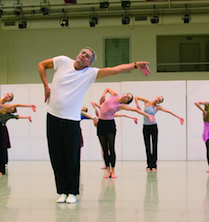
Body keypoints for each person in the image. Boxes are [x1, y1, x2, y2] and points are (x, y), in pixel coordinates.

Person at [38, 47, 151, 204]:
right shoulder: (63, 61)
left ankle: (72, 192)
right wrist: (46, 85)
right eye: (82, 52)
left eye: (87, 56)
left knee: (72, 157)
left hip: (71, 120)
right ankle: (62, 191)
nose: (83, 55)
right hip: (52, 116)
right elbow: (41, 65)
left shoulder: (89, 74)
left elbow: (114, 70)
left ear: (89, 63)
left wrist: (135, 64)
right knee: (56, 156)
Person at [91, 87, 154, 179]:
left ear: (126, 102)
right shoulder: (114, 94)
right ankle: (108, 171)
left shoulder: (121, 105)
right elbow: (107, 88)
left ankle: (113, 171)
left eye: (128, 97)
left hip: (110, 125)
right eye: (126, 94)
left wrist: (148, 115)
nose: (125, 96)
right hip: (101, 124)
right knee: (104, 149)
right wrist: (103, 95)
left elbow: (136, 110)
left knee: (111, 148)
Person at [0, 92, 36, 175]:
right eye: (7, 95)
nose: (7, 96)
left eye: (9, 97)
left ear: (9, 100)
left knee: (0, 148)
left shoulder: (4, 106)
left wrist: (29, 105)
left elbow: (18, 105)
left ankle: (0, 169)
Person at [135, 95, 184, 172]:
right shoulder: (146, 101)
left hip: (153, 127)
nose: (158, 100)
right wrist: (137, 105)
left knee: (154, 146)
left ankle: (154, 165)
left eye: (160, 100)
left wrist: (178, 117)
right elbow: (136, 97)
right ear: (155, 97)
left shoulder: (158, 107)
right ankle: (149, 165)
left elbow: (169, 111)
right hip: (145, 127)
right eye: (158, 98)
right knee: (147, 146)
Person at [91, 99, 140, 172]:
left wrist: (132, 117)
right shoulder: (103, 108)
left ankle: (112, 169)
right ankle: (106, 165)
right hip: (101, 128)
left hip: (109, 128)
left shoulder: (112, 113)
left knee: (110, 149)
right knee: (104, 149)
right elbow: (93, 102)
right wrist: (95, 109)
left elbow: (123, 114)